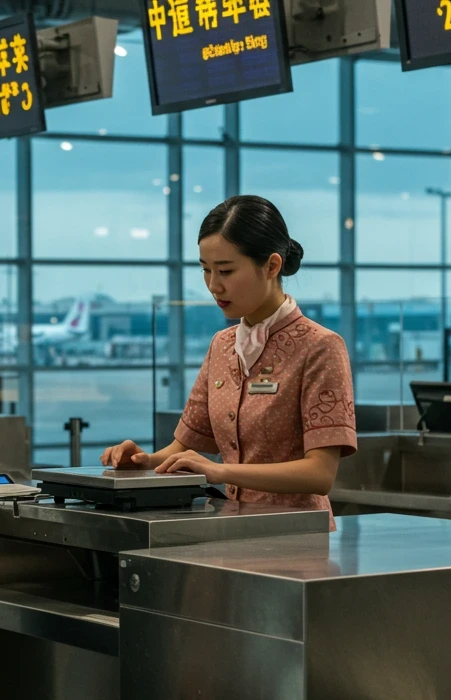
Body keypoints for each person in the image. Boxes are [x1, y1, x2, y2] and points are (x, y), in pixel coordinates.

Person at [101, 195, 356, 529]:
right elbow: (186, 447)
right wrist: (144, 461)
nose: (213, 285)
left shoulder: (320, 347)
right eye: (206, 270)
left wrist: (219, 471)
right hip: (233, 531)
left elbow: (320, 474)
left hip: (299, 536)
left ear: (272, 266)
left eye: (225, 270)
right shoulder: (222, 345)